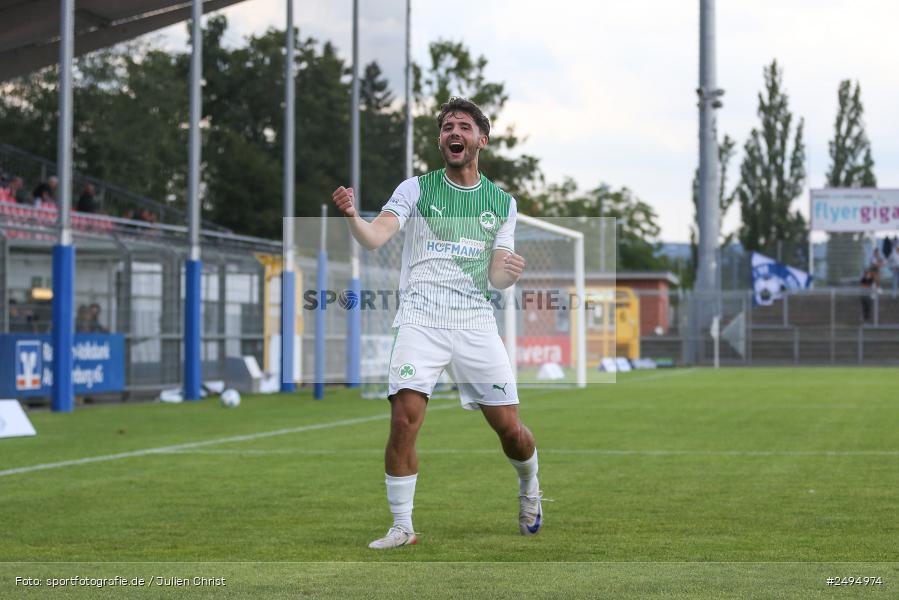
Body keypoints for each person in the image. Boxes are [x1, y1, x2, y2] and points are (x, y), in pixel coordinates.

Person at [332, 97, 540, 550]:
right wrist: (353, 217)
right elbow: (375, 238)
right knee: (404, 421)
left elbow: (496, 276)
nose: (453, 132)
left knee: (511, 431)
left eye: (463, 126)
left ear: (480, 140)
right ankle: (402, 526)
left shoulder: (502, 203)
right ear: (441, 140)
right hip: (421, 321)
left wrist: (509, 272)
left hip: (474, 323)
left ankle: (530, 486)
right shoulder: (416, 189)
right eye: (447, 126)